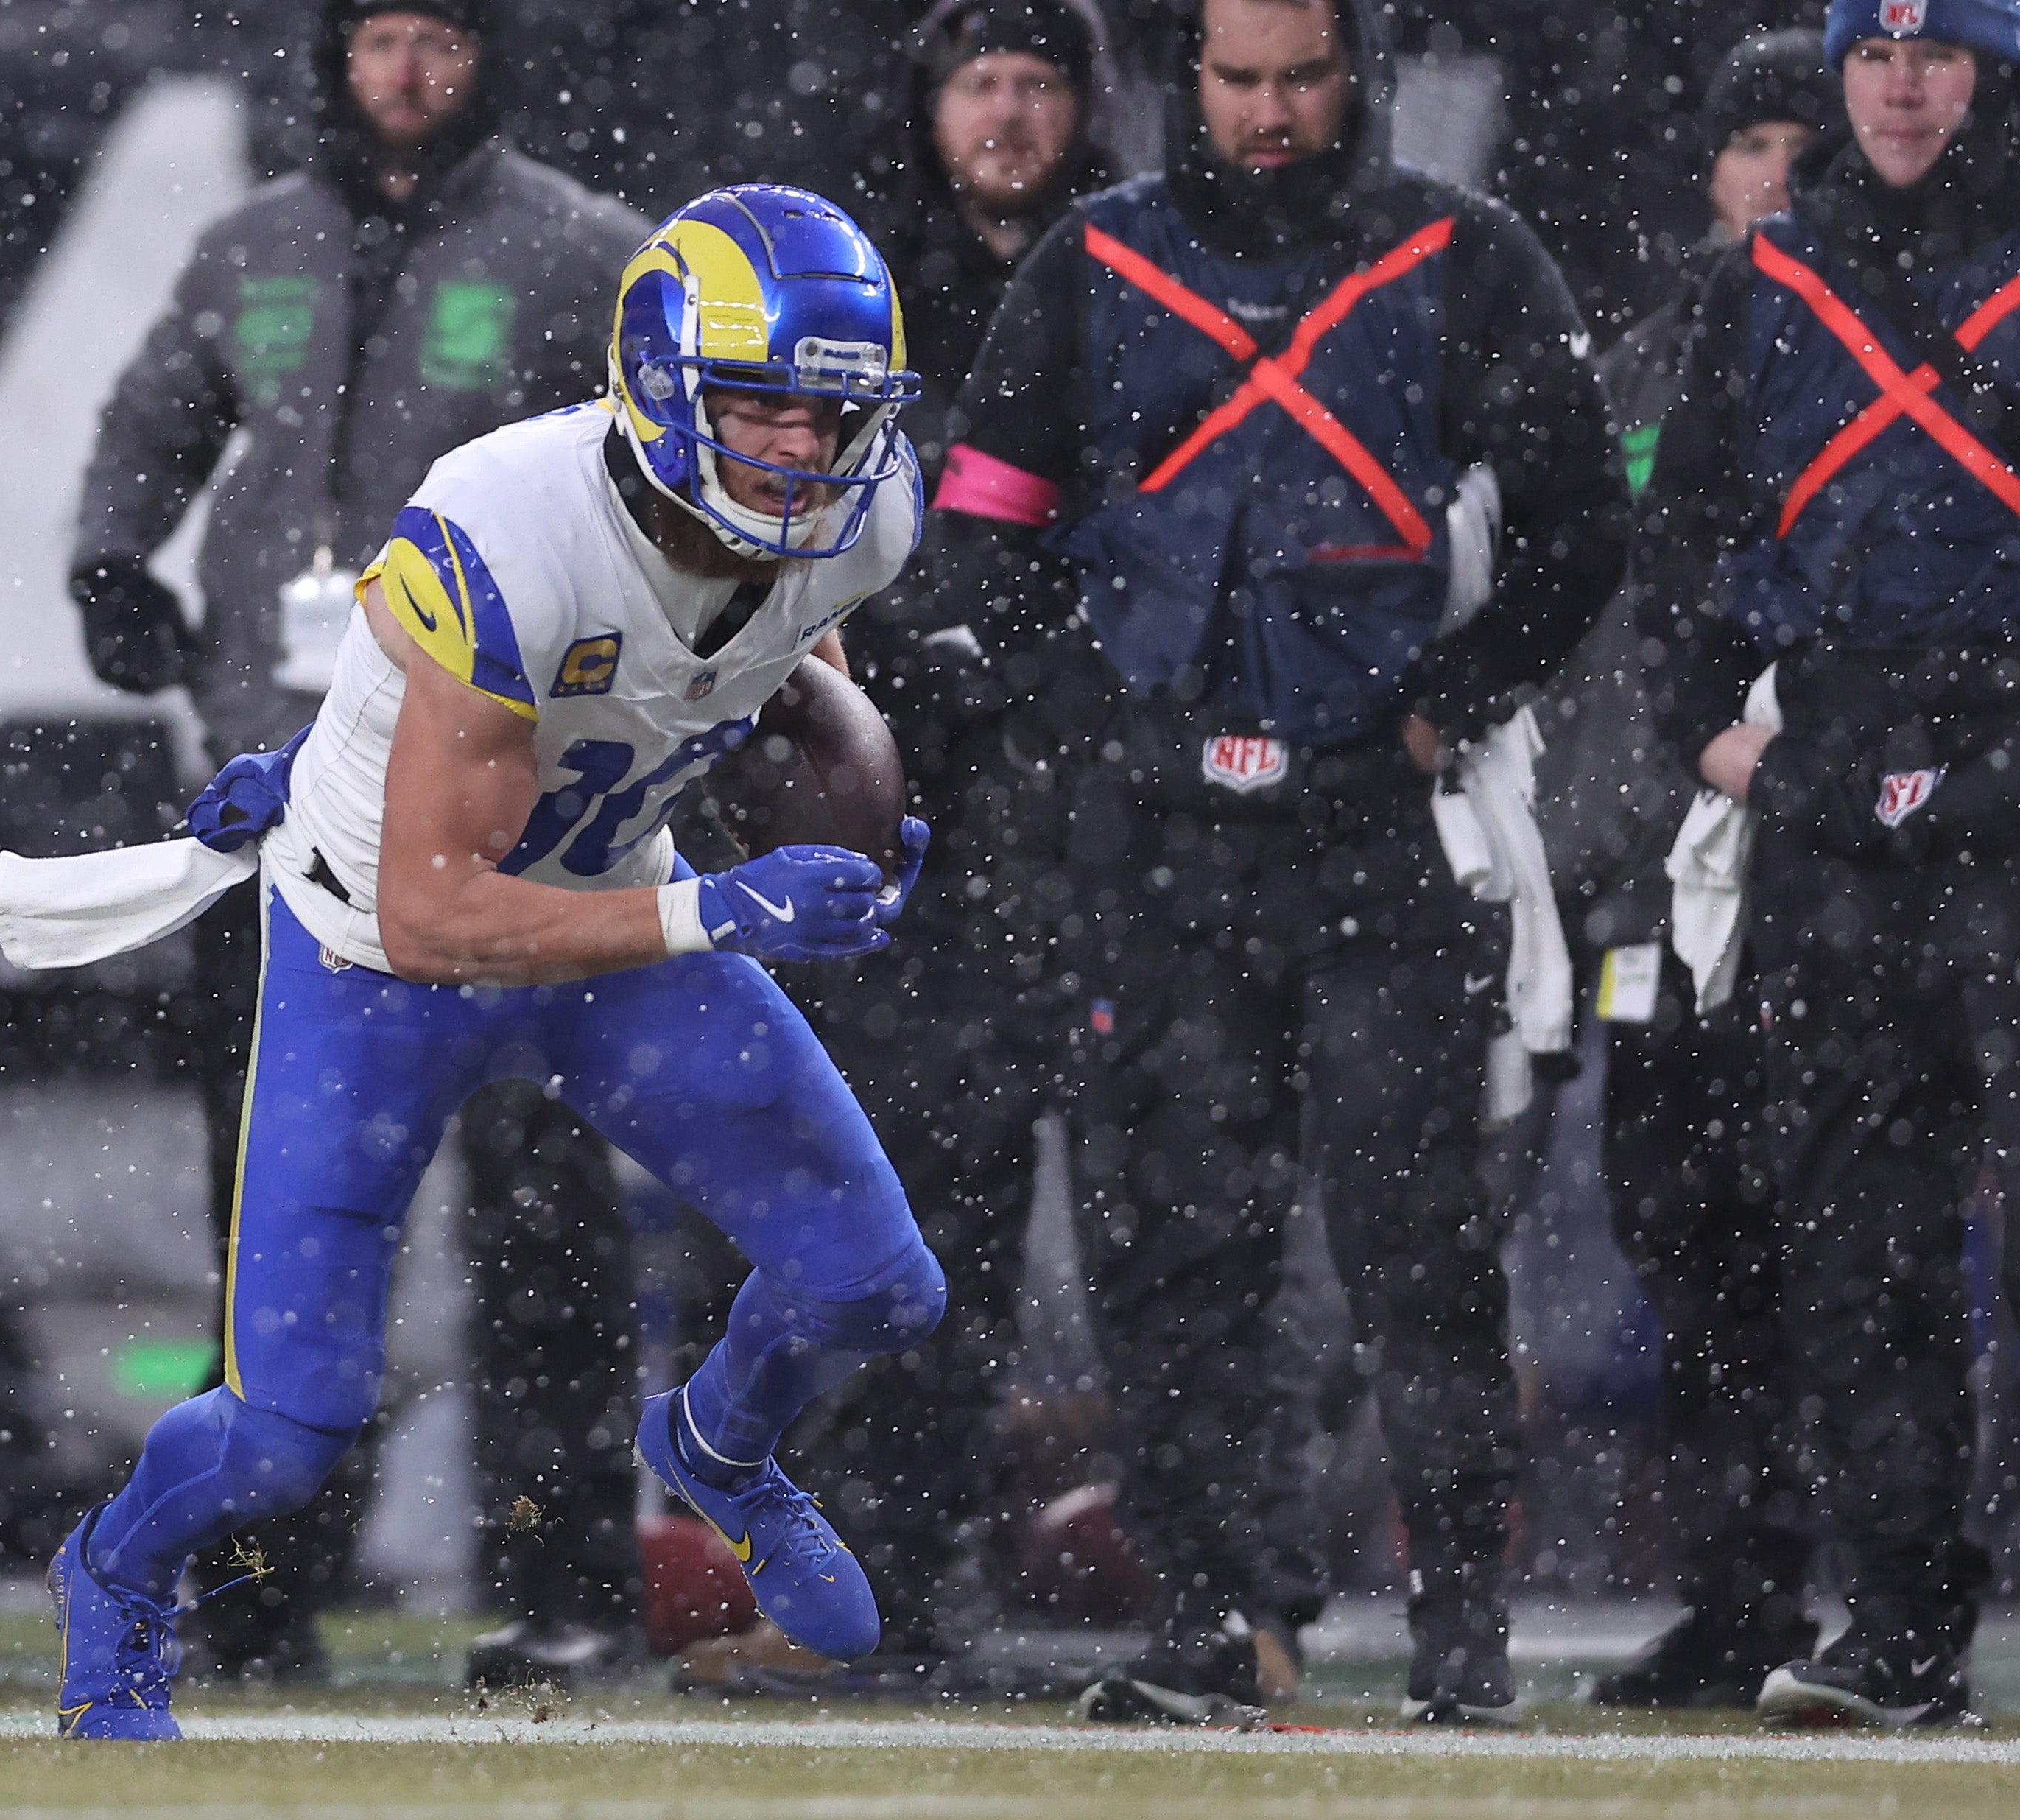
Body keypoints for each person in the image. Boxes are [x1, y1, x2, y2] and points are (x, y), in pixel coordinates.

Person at [47, 183, 943, 1741]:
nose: (806, 450)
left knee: (875, 1283)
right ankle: (114, 1574)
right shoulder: (505, 525)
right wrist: (725, 910)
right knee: (287, 1428)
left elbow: (792, 640)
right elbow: (434, 914)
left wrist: (830, 810)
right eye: (763, 406)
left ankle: (717, 1448)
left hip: (608, 912)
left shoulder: (863, 511)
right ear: (662, 385)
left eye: (835, 413)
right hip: (379, 958)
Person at [932, 0, 1627, 1725]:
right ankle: (1211, 1626)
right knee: (1169, 1256)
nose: (1267, 110)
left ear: (1354, 74)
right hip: (1157, 835)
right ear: (1187, 79)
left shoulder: (1460, 257)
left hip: (1376, 827)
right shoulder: (1095, 264)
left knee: (1419, 1247)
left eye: (1299, 77)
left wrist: (1448, 702)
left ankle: (1458, 1639)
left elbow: (1581, 520)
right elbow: (981, 523)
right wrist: (1081, 714)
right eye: (1236, 79)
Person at [68, 0, 654, 1687]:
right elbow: (147, 421)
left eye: (438, 37)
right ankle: (261, 1592)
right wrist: (111, 559)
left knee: (539, 1220)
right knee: (281, 1222)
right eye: (378, 36)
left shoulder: (580, 254)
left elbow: (656, 488)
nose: (404, 72)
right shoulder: (249, 246)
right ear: (335, 57)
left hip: (506, 813)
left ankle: (566, 1584)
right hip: (287, 801)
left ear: (489, 57)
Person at [1635, 0, 2020, 1727]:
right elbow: (1684, 541)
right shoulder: (1771, 272)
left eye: (1936, 51)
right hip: (1830, 789)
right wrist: (1729, 745)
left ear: (2000, 64)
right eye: (1872, 53)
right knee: (1851, 1234)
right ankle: (1899, 1630)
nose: (1900, 86)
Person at [671, 0, 1121, 1698]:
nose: (1007, 113)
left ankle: (1210, 1596)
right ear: (927, 105)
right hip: (883, 809)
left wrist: (1013, 659)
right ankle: (854, 1577)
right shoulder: (855, 297)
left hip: (1085, 813)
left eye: (1036, 82)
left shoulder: (1131, 274)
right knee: (865, 1201)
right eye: (978, 81)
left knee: (1112, 1222)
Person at [1536, 28, 1839, 1711]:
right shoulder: (1628, 369)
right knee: (1682, 1227)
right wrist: (1580, 847)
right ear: (1708, 170)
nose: (1775, 175)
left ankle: (1897, 1596)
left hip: (1849, 858)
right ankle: (1743, 1596)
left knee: (1852, 1235)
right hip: (1651, 875)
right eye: (1750, 145)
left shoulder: (1902, 350)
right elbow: (1588, 623)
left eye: (1804, 144)